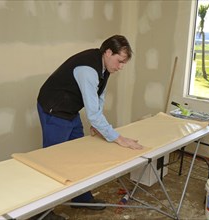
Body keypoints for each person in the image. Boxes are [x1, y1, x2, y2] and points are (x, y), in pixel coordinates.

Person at [36, 35, 144, 218]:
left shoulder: (104, 66)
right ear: (109, 52)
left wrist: (99, 127)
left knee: (80, 156)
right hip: (54, 109)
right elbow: (93, 114)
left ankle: (81, 199)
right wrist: (118, 138)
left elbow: (98, 96)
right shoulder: (87, 69)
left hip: (70, 109)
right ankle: (42, 212)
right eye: (120, 61)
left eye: (124, 63)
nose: (121, 67)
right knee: (52, 163)